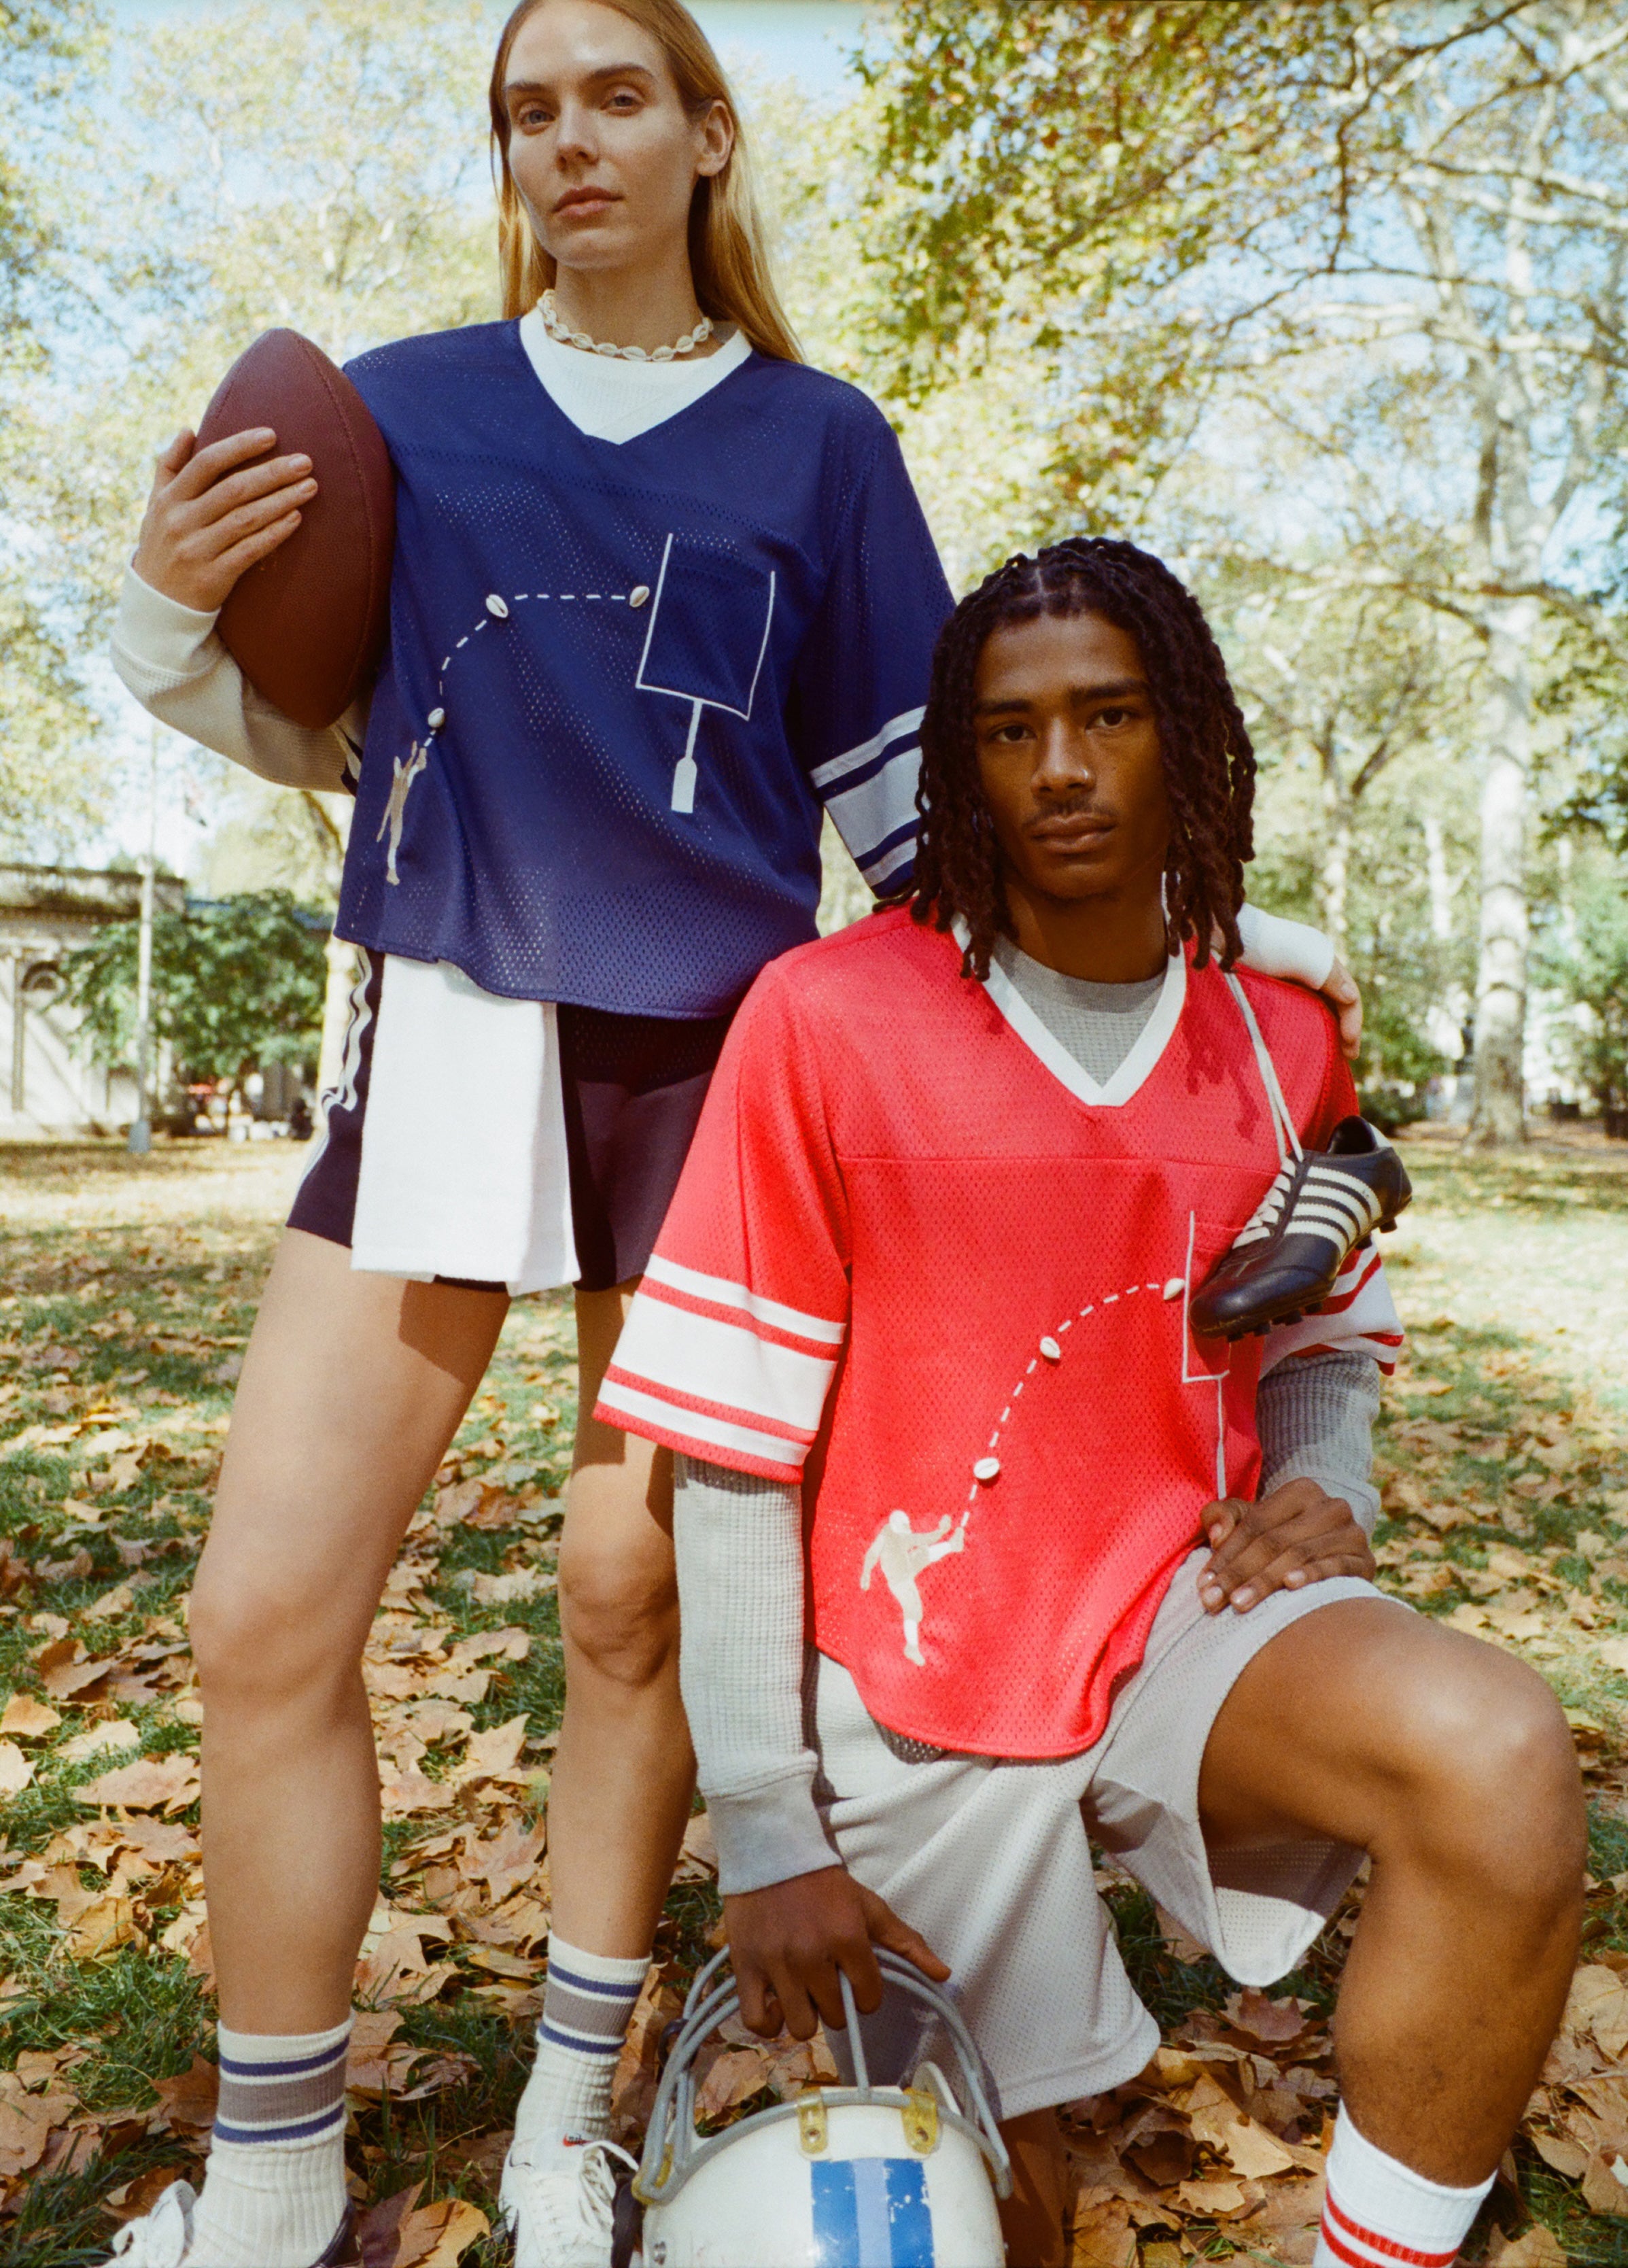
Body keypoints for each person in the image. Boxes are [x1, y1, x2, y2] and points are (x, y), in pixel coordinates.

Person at [106, 4, 1357, 2259]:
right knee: (259, 1610)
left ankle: (566, 2109)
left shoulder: (818, 445)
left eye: (610, 95)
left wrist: (1214, 973)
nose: (563, 141)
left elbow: (925, 814)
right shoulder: (404, 406)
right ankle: (275, 2176)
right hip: (452, 1030)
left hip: (709, 1068)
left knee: (623, 1602)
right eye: (524, 108)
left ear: (702, 132)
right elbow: (314, 720)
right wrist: (164, 593)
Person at [599, 540, 1587, 2268]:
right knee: (987, 2212)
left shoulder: (1276, 1039)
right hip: (922, 1683)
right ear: (957, 768)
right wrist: (762, 1825)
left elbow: (1326, 1336)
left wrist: (1326, 1481)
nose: (1060, 767)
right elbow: (732, 1456)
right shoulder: (827, 1022)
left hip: (1182, 1610)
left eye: (1109, 715)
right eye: (1008, 730)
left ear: (1185, 739)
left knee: (1496, 1757)